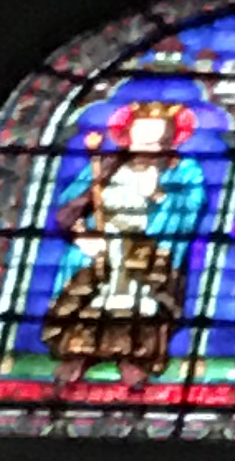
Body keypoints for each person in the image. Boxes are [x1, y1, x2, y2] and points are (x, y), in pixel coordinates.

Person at [42, 98, 210, 379]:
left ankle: (132, 358)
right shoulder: (106, 165)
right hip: (101, 244)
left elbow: (193, 206)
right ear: (128, 135)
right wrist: (81, 234)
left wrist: (161, 195)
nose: (148, 145)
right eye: (142, 137)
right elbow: (72, 204)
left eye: (157, 139)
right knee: (92, 299)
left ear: (170, 140)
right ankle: (78, 355)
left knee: (138, 302)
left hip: (147, 248)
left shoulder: (182, 169)